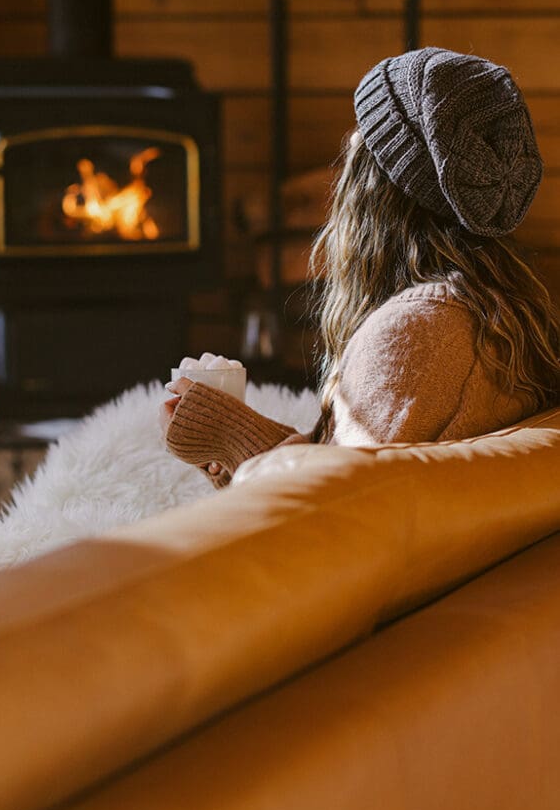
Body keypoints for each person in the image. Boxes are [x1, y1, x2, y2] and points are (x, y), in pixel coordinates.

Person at [160, 47, 560, 489]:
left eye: (361, 135)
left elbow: (333, 504)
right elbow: (349, 465)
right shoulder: (502, 307)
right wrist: (226, 431)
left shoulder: (415, 332)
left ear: (377, 182)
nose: (349, 145)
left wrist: (227, 431)